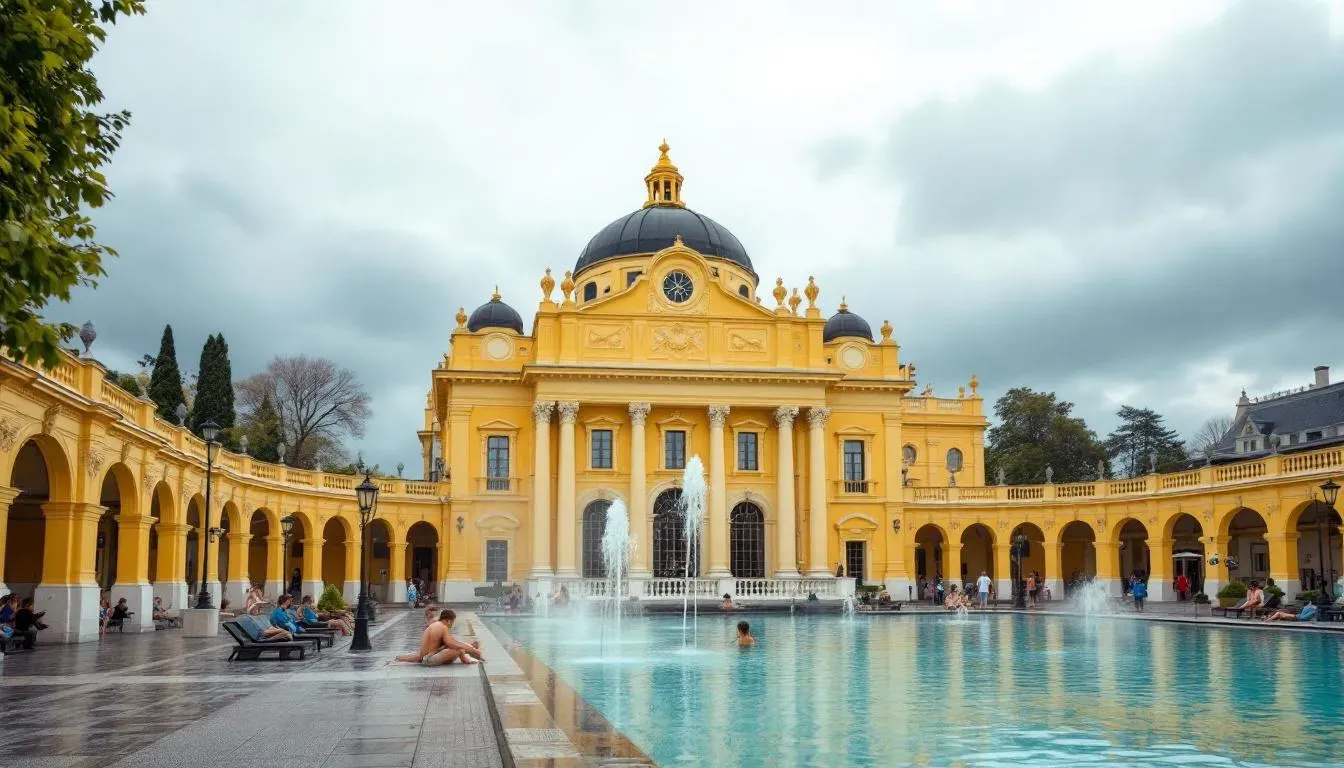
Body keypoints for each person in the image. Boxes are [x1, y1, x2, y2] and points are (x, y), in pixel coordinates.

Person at [394, 609, 484, 666]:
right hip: (430, 660)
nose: (452, 625)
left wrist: (401, 658)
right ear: (449, 621)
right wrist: (470, 649)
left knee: (458, 646)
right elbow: (451, 643)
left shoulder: (435, 625)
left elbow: (420, 655)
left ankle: (470, 650)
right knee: (459, 649)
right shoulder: (443, 627)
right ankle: (468, 655)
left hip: (425, 658)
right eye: (452, 622)